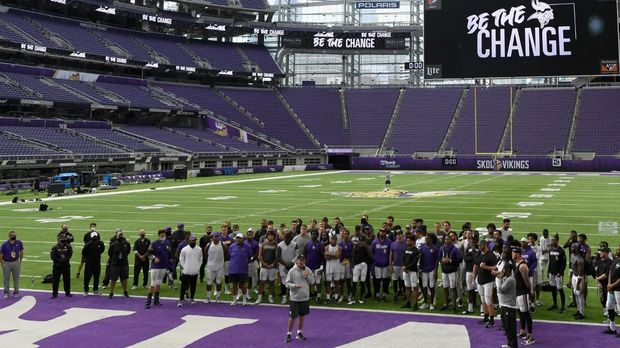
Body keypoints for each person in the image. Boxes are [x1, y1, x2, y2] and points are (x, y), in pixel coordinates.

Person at [284, 254, 315, 343]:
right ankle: (289, 333)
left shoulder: (307, 270)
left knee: (302, 315)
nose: (301, 262)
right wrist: (294, 286)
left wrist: (307, 276)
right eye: (300, 260)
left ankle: (299, 332)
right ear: (297, 261)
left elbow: (313, 281)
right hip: (295, 298)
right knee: (292, 316)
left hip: (304, 297)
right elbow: (286, 283)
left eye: (303, 260)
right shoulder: (292, 271)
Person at [512, 246, 534, 345]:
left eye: (513, 253)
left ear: (517, 254)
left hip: (523, 293)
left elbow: (527, 281)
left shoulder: (522, 266)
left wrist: (530, 291)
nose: (512, 254)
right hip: (517, 292)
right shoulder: (516, 263)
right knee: (520, 312)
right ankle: (522, 331)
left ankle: (530, 336)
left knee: (526, 314)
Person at [473, 239, 498, 328]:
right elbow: (475, 266)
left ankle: (492, 319)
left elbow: (496, 267)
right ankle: (486, 317)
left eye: (480, 246)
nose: (479, 247)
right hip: (480, 280)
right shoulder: (479, 254)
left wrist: (485, 267)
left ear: (484, 245)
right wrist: (473, 279)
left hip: (488, 280)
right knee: (483, 300)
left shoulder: (491, 255)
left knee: (488, 300)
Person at [145, 230, 171, 309]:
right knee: (153, 283)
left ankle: (156, 300)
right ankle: (148, 301)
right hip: (155, 266)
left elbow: (168, 253)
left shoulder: (167, 243)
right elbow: (148, 254)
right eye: (161, 235)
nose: (163, 236)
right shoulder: (154, 243)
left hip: (163, 266)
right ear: (159, 235)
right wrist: (154, 258)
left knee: (159, 283)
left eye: (164, 235)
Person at [497, 262, 518, 348]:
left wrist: (500, 278)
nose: (503, 271)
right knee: (507, 327)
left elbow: (501, 289)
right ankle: (510, 343)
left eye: (504, 269)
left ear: (508, 270)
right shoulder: (508, 278)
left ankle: (513, 345)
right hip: (505, 306)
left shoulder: (510, 280)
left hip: (509, 307)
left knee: (510, 328)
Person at [178, 235, 202, 306]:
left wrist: (198, 267)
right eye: (192, 240)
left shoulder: (199, 249)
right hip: (186, 271)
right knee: (183, 286)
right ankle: (181, 300)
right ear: (189, 241)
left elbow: (200, 259)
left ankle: (192, 298)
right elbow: (181, 259)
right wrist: (184, 267)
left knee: (193, 286)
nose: (193, 241)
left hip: (195, 271)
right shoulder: (184, 249)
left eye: (194, 240)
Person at [439, 234, 461, 312]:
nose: (446, 241)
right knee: (445, 288)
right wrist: (442, 260)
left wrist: (450, 260)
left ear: (451, 240)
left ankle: (454, 306)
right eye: (445, 239)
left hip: (452, 271)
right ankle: (445, 304)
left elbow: (459, 260)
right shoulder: (442, 248)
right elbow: (439, 258)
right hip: (444, 271)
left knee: (453, 288)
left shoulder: (455, 249)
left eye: (448, 239)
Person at [229, 232, 252, 306]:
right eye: (237, 238)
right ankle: (234, 299)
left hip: (243, 269)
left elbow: (249, 257)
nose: (238, 239)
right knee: (234, 285)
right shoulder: (232, 246)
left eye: (239, 238)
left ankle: (244, 300)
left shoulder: (247, 247)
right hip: (233, 269)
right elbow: (230, 256)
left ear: (243, 239)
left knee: (243, 285)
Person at [256, 230, 278, 304]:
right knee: (262, 282)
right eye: (269, 235)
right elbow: (260, 255)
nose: (270, 236)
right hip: (264, 266)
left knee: (271, 282)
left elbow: (277, 256)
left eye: (272, 235)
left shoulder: (276, 245)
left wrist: (272, 264)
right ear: (267, 236)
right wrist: (264, 263)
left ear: (274, 237)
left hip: (273, 267)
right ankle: (259, 297)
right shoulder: (263, 244)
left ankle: (270, 297)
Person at [108, 229, 131, 298]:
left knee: (124, 278)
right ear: (117, 236)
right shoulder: (113, 244)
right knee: (113, 279)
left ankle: (125, 291)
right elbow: (110, 253)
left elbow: (128, 252)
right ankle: (111, 292)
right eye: (119, 235)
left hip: (124, 263)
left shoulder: (126, 244)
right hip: (115, 264)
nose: (120, 236)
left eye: (121, 235)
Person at [602, 245, 620, 336]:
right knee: (609, 307)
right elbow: (610, 272)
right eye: (616, 249)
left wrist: (612, 285)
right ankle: (612, 328)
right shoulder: (615, 260)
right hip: (611, 289)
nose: (617, 250)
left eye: (618, 249)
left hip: (618, 290)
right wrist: (609, 283)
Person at [350, 235, 373, 304]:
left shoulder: (367, 247)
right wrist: (353, 265)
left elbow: (370, 255)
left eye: (362, 241)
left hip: (364, 265)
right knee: (354, 280)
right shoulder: (356, 247)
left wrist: (366, 247)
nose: (361, 242)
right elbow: (353, 256)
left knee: (363, 281)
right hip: (357, 265)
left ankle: (361, 298)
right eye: (360, 241)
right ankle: (352, 298)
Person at [547, 233, 567, 313]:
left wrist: (560, 272)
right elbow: (550, 262)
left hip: (558, 274)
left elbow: (564, 263)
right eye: (552, 240)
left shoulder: (561, 250)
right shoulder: (551, 249)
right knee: (553, 288)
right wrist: (548, 271)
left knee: (560, 289)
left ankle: (563, 306)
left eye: (554, 240)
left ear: (557, 240)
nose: (552, 241)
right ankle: (555, 304)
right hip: (552, 272)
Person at [1, 231, 24, 298]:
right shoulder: (4, 245)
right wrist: (2, 262)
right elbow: (1, 254)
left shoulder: (19, 243)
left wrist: (20, 260)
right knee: (6, 279)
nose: (14, 236)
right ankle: (6, 293)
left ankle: (16, 292)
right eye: (13, 235)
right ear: (10, 236)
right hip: (6, 263)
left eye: (15, 235)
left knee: (16, 278)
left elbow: (22, 251)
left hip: (16, 262)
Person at [277, 231, 297, 304]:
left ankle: (293, 297)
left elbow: (297, 255)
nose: (287, 239)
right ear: (283, 237)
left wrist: (292, 262)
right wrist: (285, 264)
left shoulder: (295, 244)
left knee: (293, 281)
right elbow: (278, 257)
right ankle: (284, 298)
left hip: (293, 265)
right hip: (283, 266)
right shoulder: (280, 245)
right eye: (286, 237)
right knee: (284, 282)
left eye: (289, 238)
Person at [81, 231, 104, 296]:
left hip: (96, 262)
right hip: (89, 263)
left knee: (96, 277)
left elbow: (102, 249)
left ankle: (95, 290)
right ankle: (86, 290)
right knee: (87, 277)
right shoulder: (88, 244)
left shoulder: (100, 243)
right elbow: (84, 253)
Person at [419, 233, 439, 310]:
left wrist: (435, 271)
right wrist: (420, 269)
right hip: (424, 269)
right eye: (426, 238)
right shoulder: (422, 247)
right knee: (424, 286)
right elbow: (420, 259)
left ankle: (432, 303)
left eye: (428, 238)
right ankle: (425, 303)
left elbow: (437, 261)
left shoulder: (434, 248)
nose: (426, 240)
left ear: (431, 239)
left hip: (431, 269)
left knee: (431, 286)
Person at [402, 235, 421, 310]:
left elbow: (414, 262)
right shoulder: (405, 249)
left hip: (412, 271)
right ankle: (408, 302)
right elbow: (403, 258)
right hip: (405, 271)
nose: (408, 242)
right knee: (407, 287)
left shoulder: (416, 251)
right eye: (407, 240)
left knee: (415, 287)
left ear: (413, 241)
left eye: (409, 241)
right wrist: (403, 266)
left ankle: (415, 304)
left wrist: (406, 267)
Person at [371, 228, 391, 302]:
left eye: (383, 232)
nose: (382, 233)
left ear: (385, 233)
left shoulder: (389, 242)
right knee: (377, 281)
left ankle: (384, 295)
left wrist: (389, 263)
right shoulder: (375, 242)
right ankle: (377, 295)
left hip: (385, 265)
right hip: (377, 265)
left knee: (385, 280)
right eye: (381, 231)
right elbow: (372, 252)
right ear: (379, 232)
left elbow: (390, 253)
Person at [304, 230, 323, 303]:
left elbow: (322, 257)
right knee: (308, 282)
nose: (313, 235)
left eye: (315, 234)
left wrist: (321, 266)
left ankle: (318, 296)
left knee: (318, 282)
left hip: (317, 266)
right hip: (308, 267)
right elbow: (305, 255)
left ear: (317, 235)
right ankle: (308, 295)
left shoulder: (321, 244)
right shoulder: (307, 244)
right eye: (312, 234)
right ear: (310, 235)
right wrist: (304, 265)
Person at [324, 235, 342, 303]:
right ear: (330, 240)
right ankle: (328, 298)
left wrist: (329, 254)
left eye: (334, 240)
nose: (333, 241)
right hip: (329, 266)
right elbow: (326, 257)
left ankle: (336, 297)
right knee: (328, 283)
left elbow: (338, 256)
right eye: (332, 239)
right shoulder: (327, 247)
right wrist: (334, 255)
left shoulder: (339, 247)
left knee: (337, 282)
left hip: (337, 267)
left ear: (336, 240)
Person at [570, 243, 586, 319]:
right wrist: (571, 279)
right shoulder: (572, 255)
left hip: (579, 278)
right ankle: (578, 310)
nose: (571, 248)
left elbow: (581, 273)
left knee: (580, 295)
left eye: (573, 247)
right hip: (574, 276)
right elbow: (572, 268)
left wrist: (578, 284)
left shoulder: (580, 260)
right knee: (575, 294)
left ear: (577, 249)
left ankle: (582, 313)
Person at [390, 229, 407, 303]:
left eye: (399, 234)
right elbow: (391, 255)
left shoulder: (405, 243)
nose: (398, 235)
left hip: (403, 265)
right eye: (397, 234)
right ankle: (395, 295)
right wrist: (390, 265)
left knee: (403, 280)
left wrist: (406, 264)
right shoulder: (393, 244)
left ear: (402, 235)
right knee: (395, 280)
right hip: (395, 264)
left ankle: (404, 294)